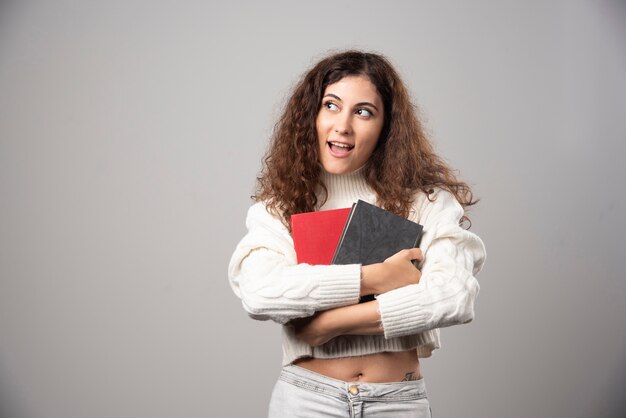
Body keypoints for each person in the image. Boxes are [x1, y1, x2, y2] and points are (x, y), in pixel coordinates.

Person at [228, 50, 486, 418]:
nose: (343, 125)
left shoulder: (426, 202)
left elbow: (454, 296)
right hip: (307, 400)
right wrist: (374, 278)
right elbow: (259, 292)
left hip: (398, 403)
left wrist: (328, 324)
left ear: (387, 125)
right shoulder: (282, 205)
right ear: (311, 116)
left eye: (363, 111)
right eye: (331, 106)